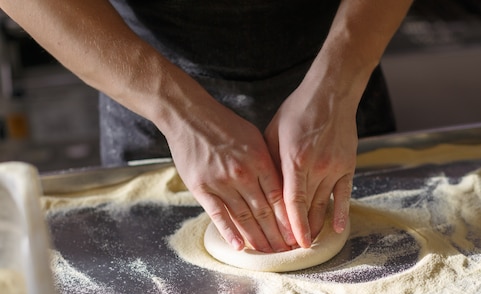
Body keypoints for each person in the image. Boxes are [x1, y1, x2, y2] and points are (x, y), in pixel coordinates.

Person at [0, 0, 412, 253]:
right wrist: (180, 113)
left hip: (343, 71)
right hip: (144, 85)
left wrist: (337, 86)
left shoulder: (339, 85)